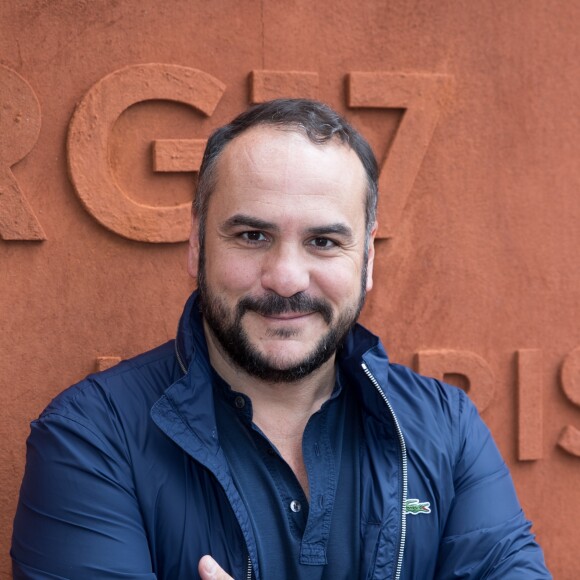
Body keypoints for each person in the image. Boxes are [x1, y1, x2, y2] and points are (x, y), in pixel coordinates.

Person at [11, 99, 550, 579]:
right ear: (197, 245)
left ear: (366, 262)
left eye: (323, 240)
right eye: (252, 236)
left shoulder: (444, 429)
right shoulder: (92, 438)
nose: (287, 277)